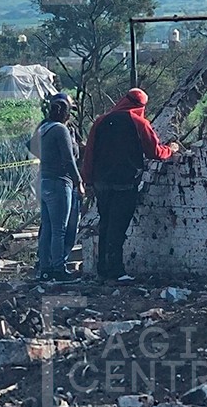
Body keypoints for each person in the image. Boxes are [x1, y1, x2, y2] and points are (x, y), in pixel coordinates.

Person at [81, 88, 178, 280]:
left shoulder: (100, 121)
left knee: (105, 224)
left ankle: (102, 269)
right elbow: (155, 152)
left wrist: (87, 180)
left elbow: (89, 154)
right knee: (118, 227)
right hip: (125, 182)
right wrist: (171, 149)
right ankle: (116, 271)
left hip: (102, 183)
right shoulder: (139, 122)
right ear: (141, 106)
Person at [30, 92, 84, 281]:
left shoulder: (44, 127)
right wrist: (79, 182)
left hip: (44, 181)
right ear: (66, 111)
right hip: (61, 182)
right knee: (61, 229)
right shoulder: (61, 130)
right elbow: (69, 159)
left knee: (47, 228)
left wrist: (47, 157)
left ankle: (45, 269)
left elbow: (31, 146)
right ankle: (58, 270)